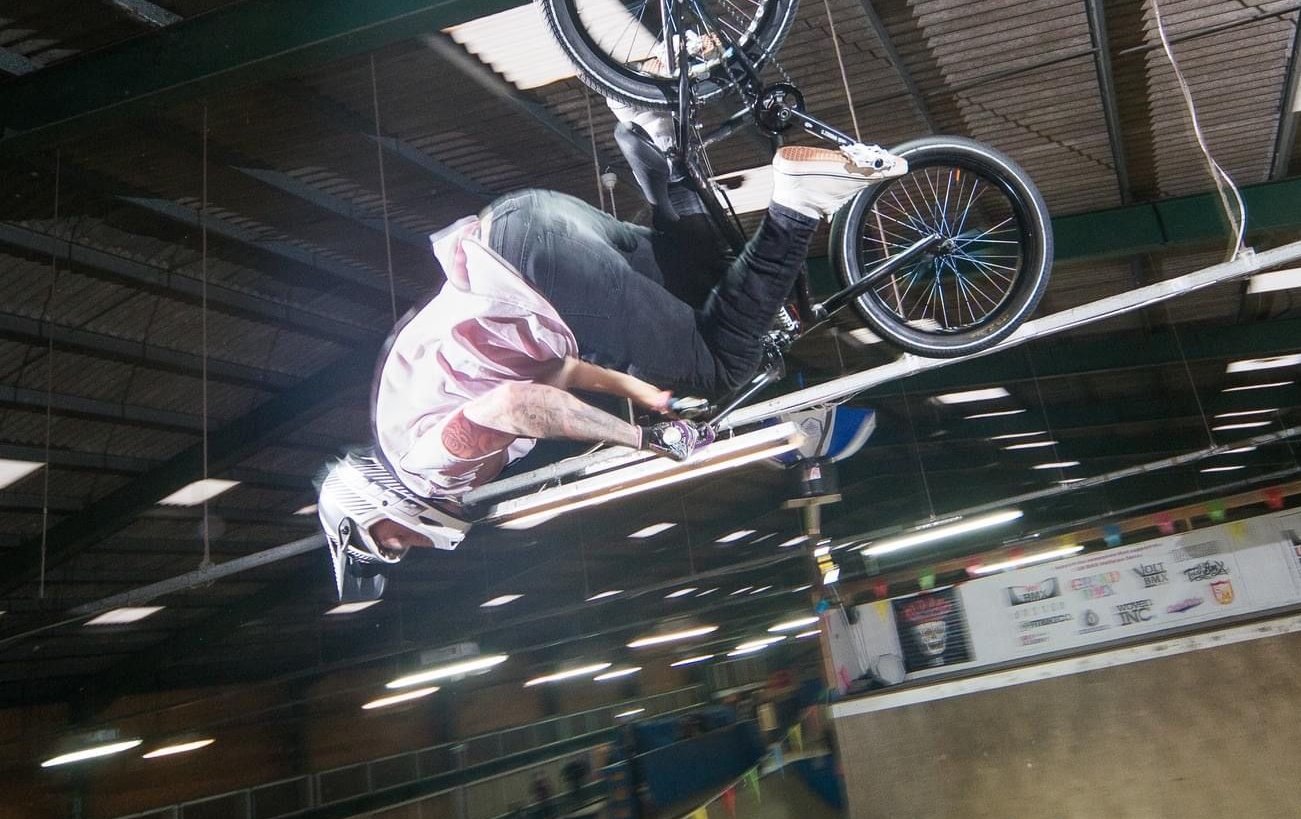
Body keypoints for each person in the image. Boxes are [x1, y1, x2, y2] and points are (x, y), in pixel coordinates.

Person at [316, 127, 904, 599]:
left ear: (369, 510)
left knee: (719, 365)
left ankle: (799, 201)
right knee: (700, 286)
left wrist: (643, 440)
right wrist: (640, 391)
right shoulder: (405, 424)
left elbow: (518, 403)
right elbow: (556, 374)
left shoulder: (425, 470)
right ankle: (654, 132)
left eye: (390, 544)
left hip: (540, 278)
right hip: (525, 224)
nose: (410, 547)